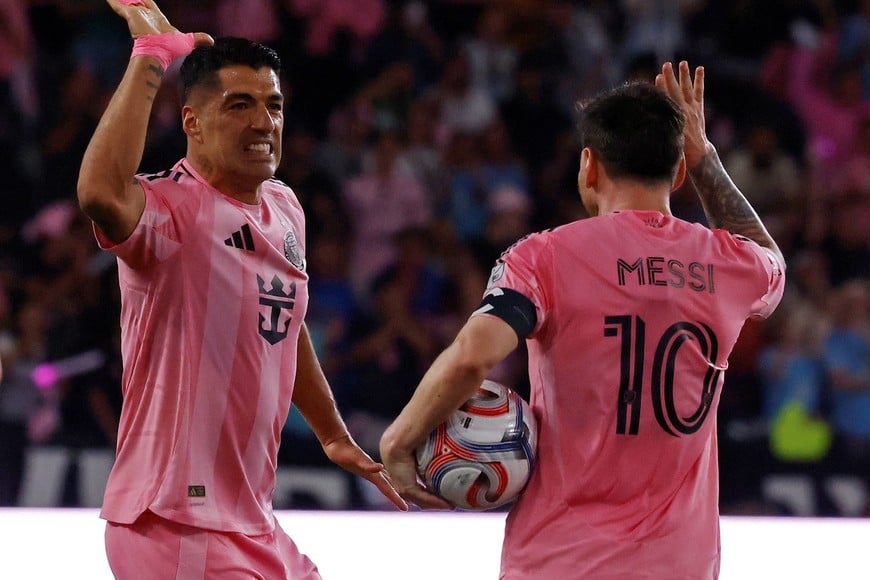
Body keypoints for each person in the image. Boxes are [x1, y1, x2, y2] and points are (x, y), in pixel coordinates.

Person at [380, 61, 786, 578]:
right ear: (680, 171)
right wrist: (704, 155)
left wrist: (399, 439)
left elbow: (472, 358)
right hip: (679, 564)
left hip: (561, 559)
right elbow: (770, 258)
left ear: (589, 166)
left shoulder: (544, 257)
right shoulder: (728, 264)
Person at [76, 1, 406, 578]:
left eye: (272, 105)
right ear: (192, 123)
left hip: (253, 523)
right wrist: (151, 56)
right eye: (239, 105)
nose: (263, 122)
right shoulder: (170, 210)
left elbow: (283, 323)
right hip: (175, 522)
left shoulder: (284, 206)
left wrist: (332, 433)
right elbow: (100, 192)